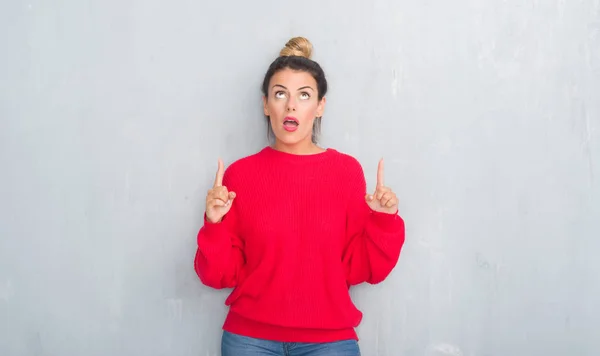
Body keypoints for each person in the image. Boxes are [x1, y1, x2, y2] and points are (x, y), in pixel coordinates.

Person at [194, 36, 406, 356]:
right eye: (280, 94)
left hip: (329, 340)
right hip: (249, 339)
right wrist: (214, 224)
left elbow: (360, 268)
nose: (291, 105)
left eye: (304, 95)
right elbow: (219, 274)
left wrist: (384, 221)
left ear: (320, 106)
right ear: (266, 104)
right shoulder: (239, 176)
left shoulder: (345, 172)